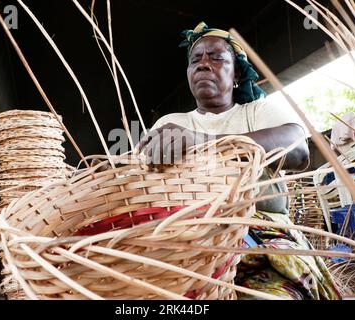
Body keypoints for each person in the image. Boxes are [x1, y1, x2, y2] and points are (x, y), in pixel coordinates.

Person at [136, 22, 341, 300]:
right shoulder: (171, 123)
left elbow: (297, 148)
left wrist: (201, 142)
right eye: (195, 60)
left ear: (237, 74)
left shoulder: (258, 111)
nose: (203, 65)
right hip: (188, 244)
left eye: (216, 58)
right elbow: (143, 181)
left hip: (259, 240)